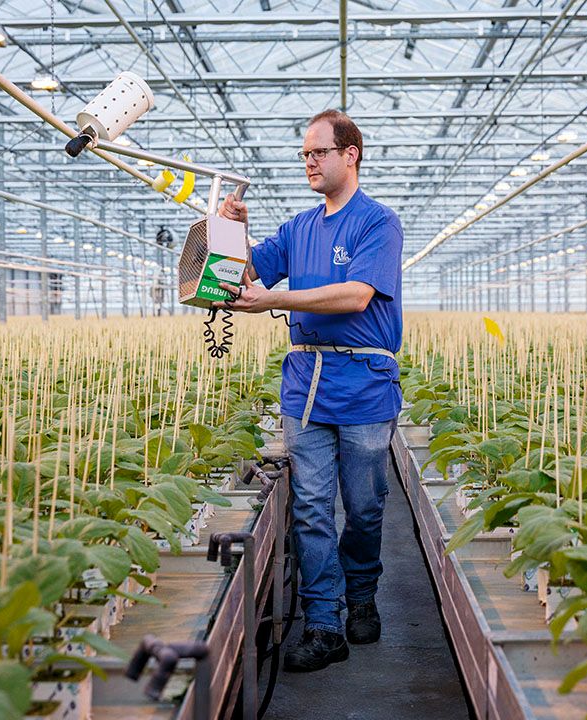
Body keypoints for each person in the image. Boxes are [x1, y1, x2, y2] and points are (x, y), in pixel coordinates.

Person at [216, 109, 404, 673]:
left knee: (365, 507)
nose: (309, 163)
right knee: (312, 507)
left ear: (351, 154)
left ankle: (362, 593)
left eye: (318, 152)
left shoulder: (378, 223)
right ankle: (324, 622)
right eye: (304, 154)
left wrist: (277, 301)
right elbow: (247, 273)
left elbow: (355, 296)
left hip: (365, 385)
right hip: (306, 384)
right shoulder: (298, 228)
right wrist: (232, 231)